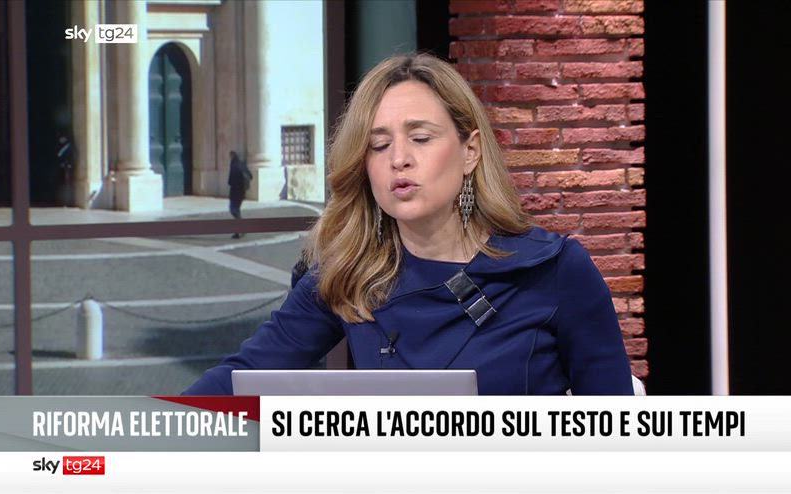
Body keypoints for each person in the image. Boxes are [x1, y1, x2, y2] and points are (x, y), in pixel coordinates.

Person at [185, 54, 633, 395]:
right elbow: (240, 378)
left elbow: (614, 440)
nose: (399, 158)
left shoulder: (556, 272)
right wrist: (149, 434)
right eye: (379, 145)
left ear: (470, 151)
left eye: (420, 138)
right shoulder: (348, 274)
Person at [227, 150, 252, 238]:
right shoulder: (242, 165)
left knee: (233, 210)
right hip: (242, 192)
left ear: (232, 156)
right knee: (236, 210)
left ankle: (241, 229)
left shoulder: (233, 165)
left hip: (235, 192)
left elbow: (230, 181)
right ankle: (240, 230)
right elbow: (251, 176)